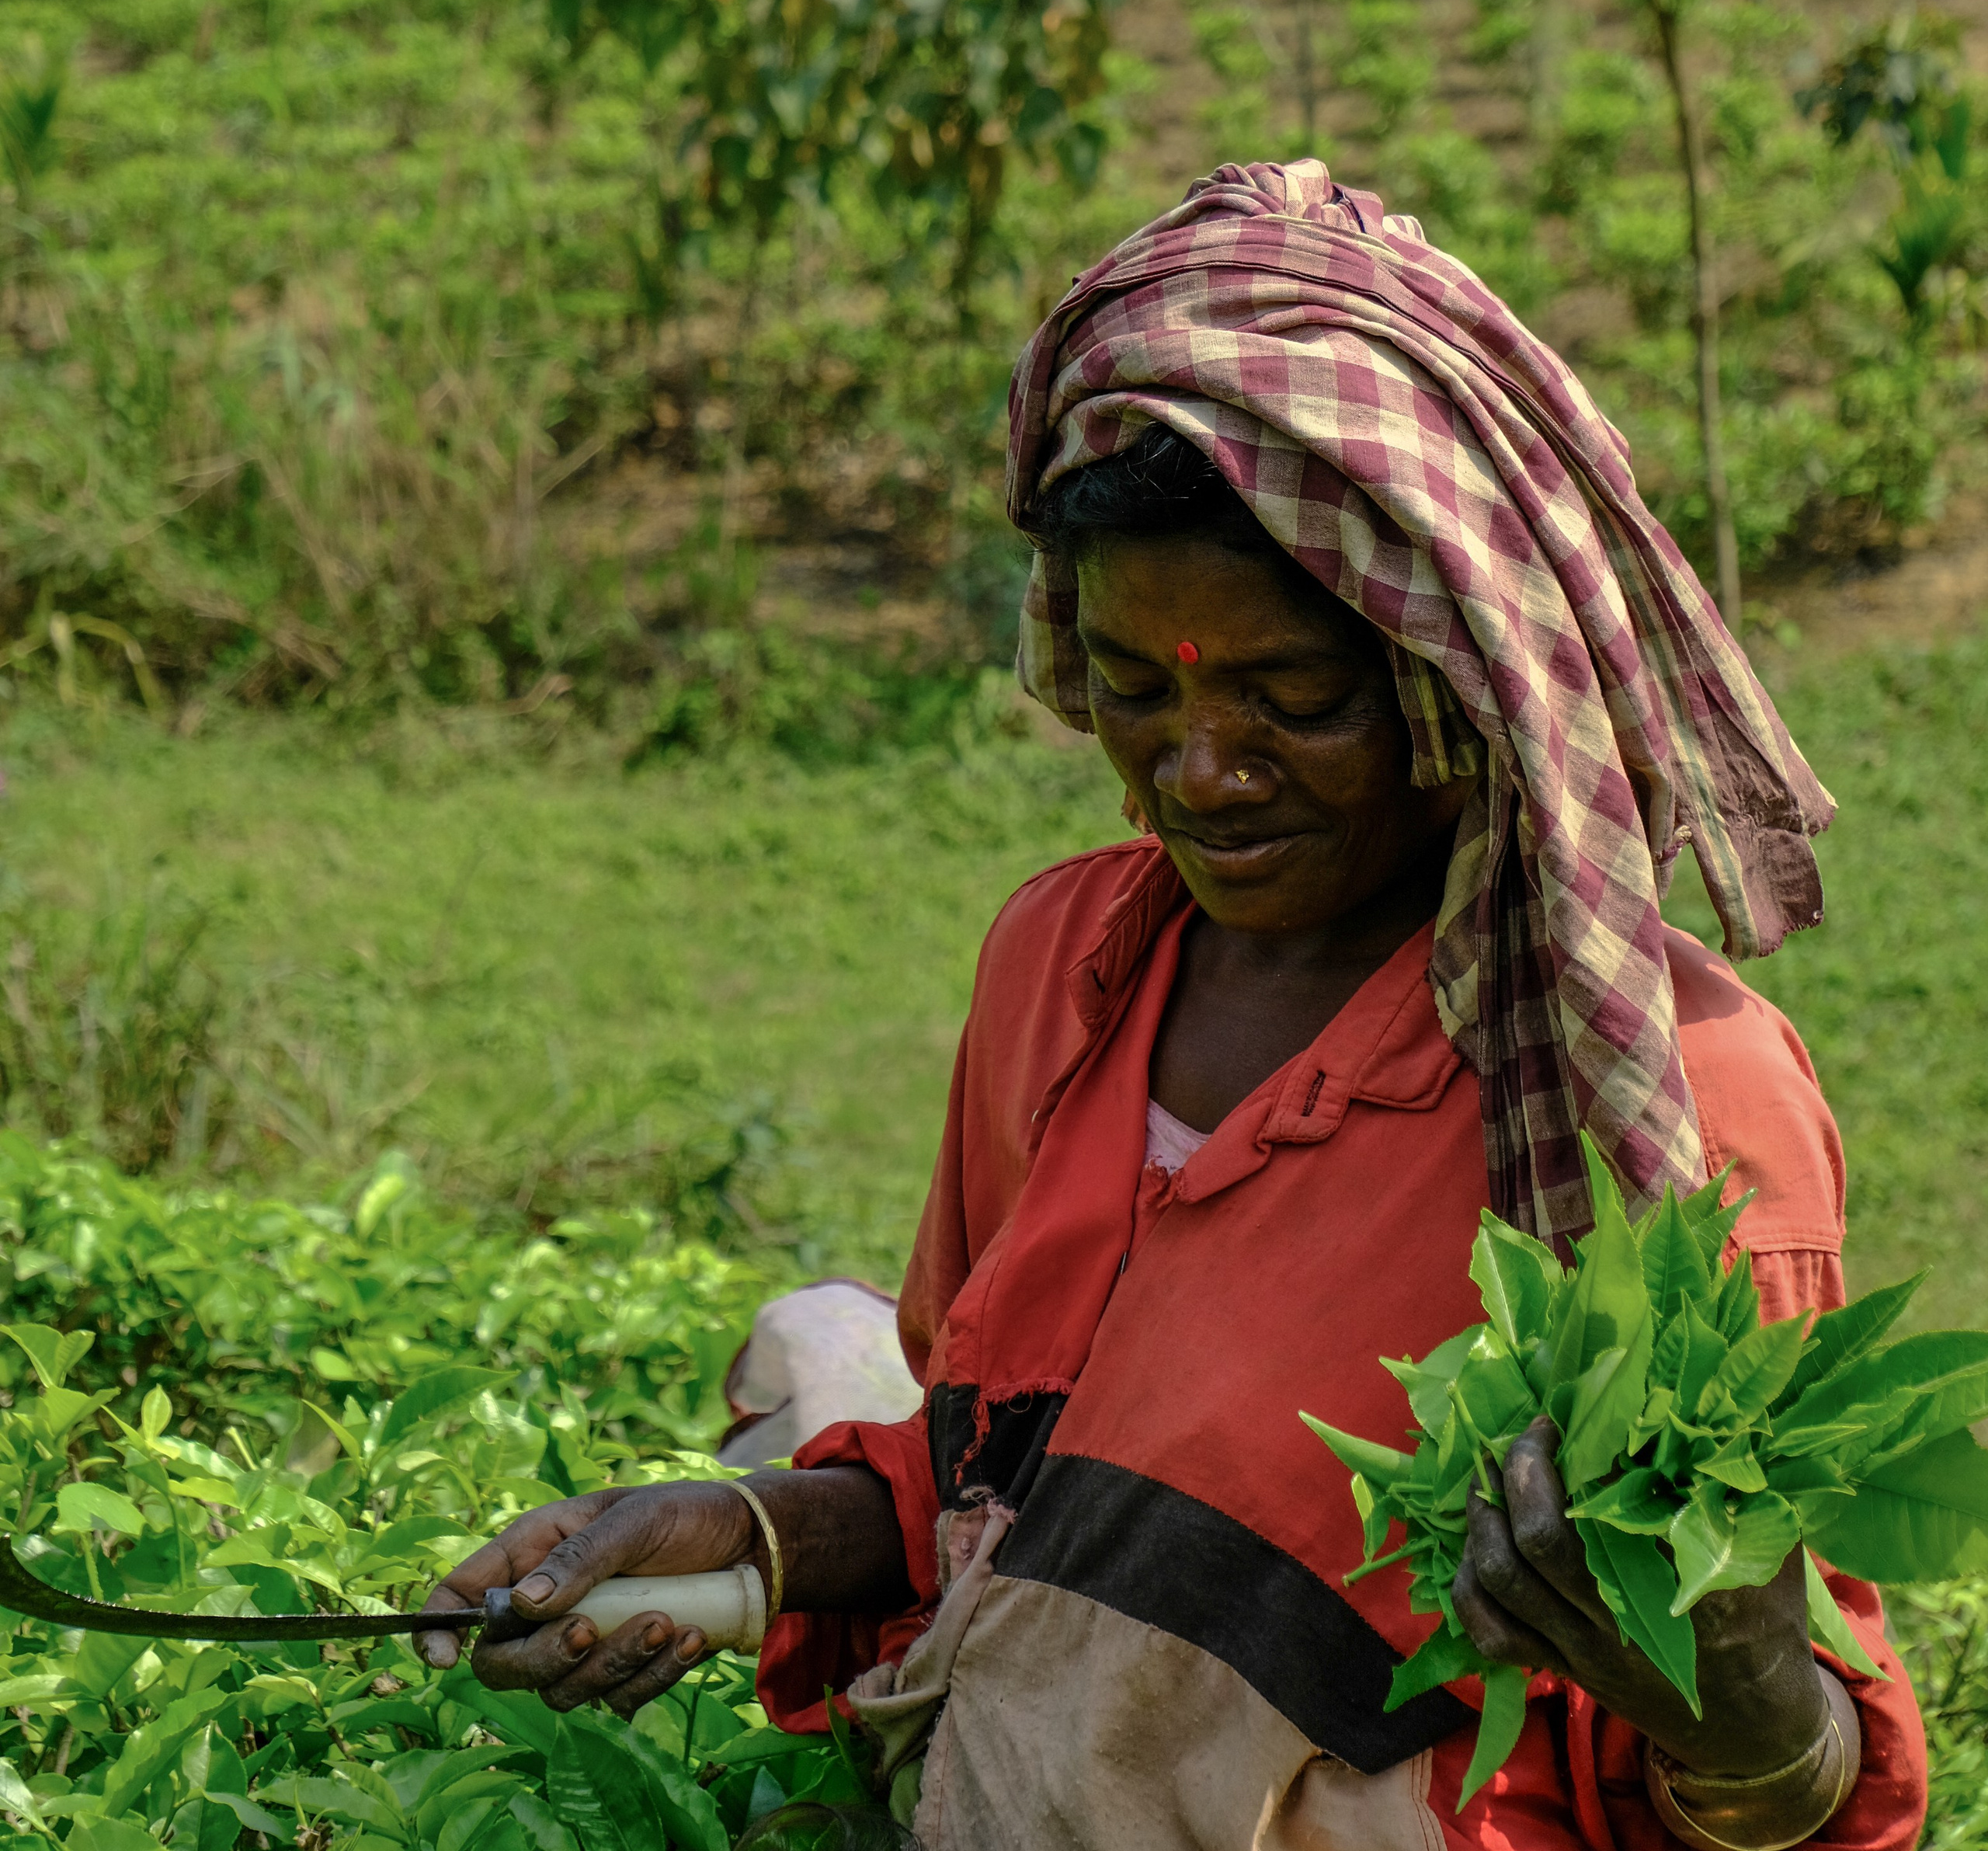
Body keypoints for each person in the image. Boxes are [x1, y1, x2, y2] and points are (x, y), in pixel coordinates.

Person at [419, 162, 1928, 1850]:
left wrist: (1732, 1693)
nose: (1199, 771)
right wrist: (748, 1532)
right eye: (1135, 688)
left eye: (1292, 697)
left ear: (1453, 680)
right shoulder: (1062, 967)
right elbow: (1006, 1491)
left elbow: (1806, 1785)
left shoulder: (1660, 1104)